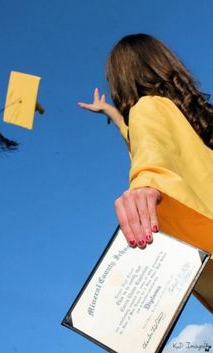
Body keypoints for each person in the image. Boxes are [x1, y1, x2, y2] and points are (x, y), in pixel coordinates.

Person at [78, 33, 213, 313]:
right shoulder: (196, 117)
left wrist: (145, 186)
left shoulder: (146, 108)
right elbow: (147, 138)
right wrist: (112, 114)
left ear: (121, 78)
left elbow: (151, 154)